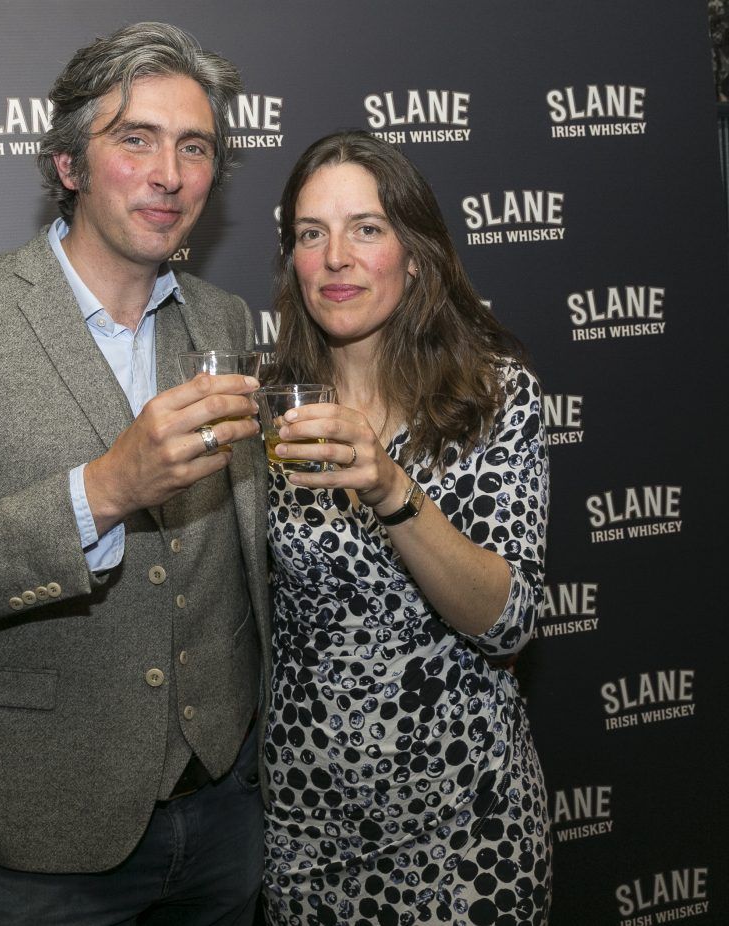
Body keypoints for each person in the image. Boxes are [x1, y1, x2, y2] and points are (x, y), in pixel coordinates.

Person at [0, 22, 270, 926]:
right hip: (54, 825)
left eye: (193, 146)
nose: (169, 172)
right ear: (70, 166)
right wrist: (104, 491)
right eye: (136, 139)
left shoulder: (225, 320)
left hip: (229, 805)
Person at [260, 132, 552, 925]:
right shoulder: (267, 406)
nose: (334, 258)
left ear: (416, 254)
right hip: (308, 828)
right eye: (310, 234)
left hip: (464, 826)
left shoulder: (492, 398)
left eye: (367, 228)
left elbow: (510, 620)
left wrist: (393, 487)